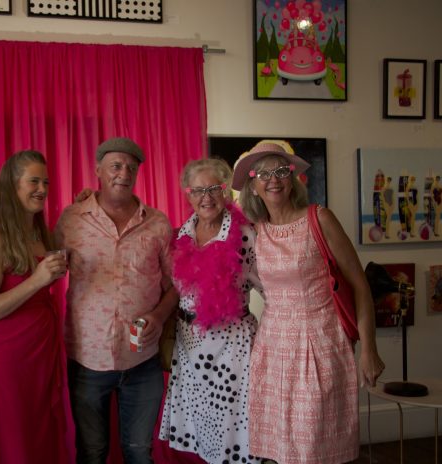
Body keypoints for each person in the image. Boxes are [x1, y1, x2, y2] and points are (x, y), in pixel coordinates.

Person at [232, 140, 385, 464]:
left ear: (292, 177)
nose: (273, 178)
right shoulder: (256, 231)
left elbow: (359, 285)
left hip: (319, 344)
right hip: (273, 350)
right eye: (263, 173)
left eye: (280, 170)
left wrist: (369, 348)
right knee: (279, 449)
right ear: (253, 186)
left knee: (315, 446)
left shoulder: (320, 218)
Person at [55, 136, 177, 463]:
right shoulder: (71, 220)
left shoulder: (158, 224)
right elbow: (43, 267)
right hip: (87, 359)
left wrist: (160, 316)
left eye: (130, 167)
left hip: (142, 359)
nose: (123, 173)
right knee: (92, 452)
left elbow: (176, 285)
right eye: (115, 166)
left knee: (139, 451)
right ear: (98, 170)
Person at [158, 158, 262, 463]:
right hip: (190, 346)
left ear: (226, 191)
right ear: (188, 195)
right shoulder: (181, 236)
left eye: (214, 188)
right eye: (198, 190)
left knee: (234, 433)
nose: (206, 197)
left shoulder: (245, 236)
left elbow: (271, 289)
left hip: (233, 349)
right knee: (203, 429)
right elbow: (176, 289)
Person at [0, 150, 68, 464]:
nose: (42, 188)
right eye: (33, 181)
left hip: (42, 350)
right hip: (9, 359)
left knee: (42, 434)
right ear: (12, 187)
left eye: (46, 181)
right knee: (17, 441)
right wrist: (38, 279)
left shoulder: (41, 232)